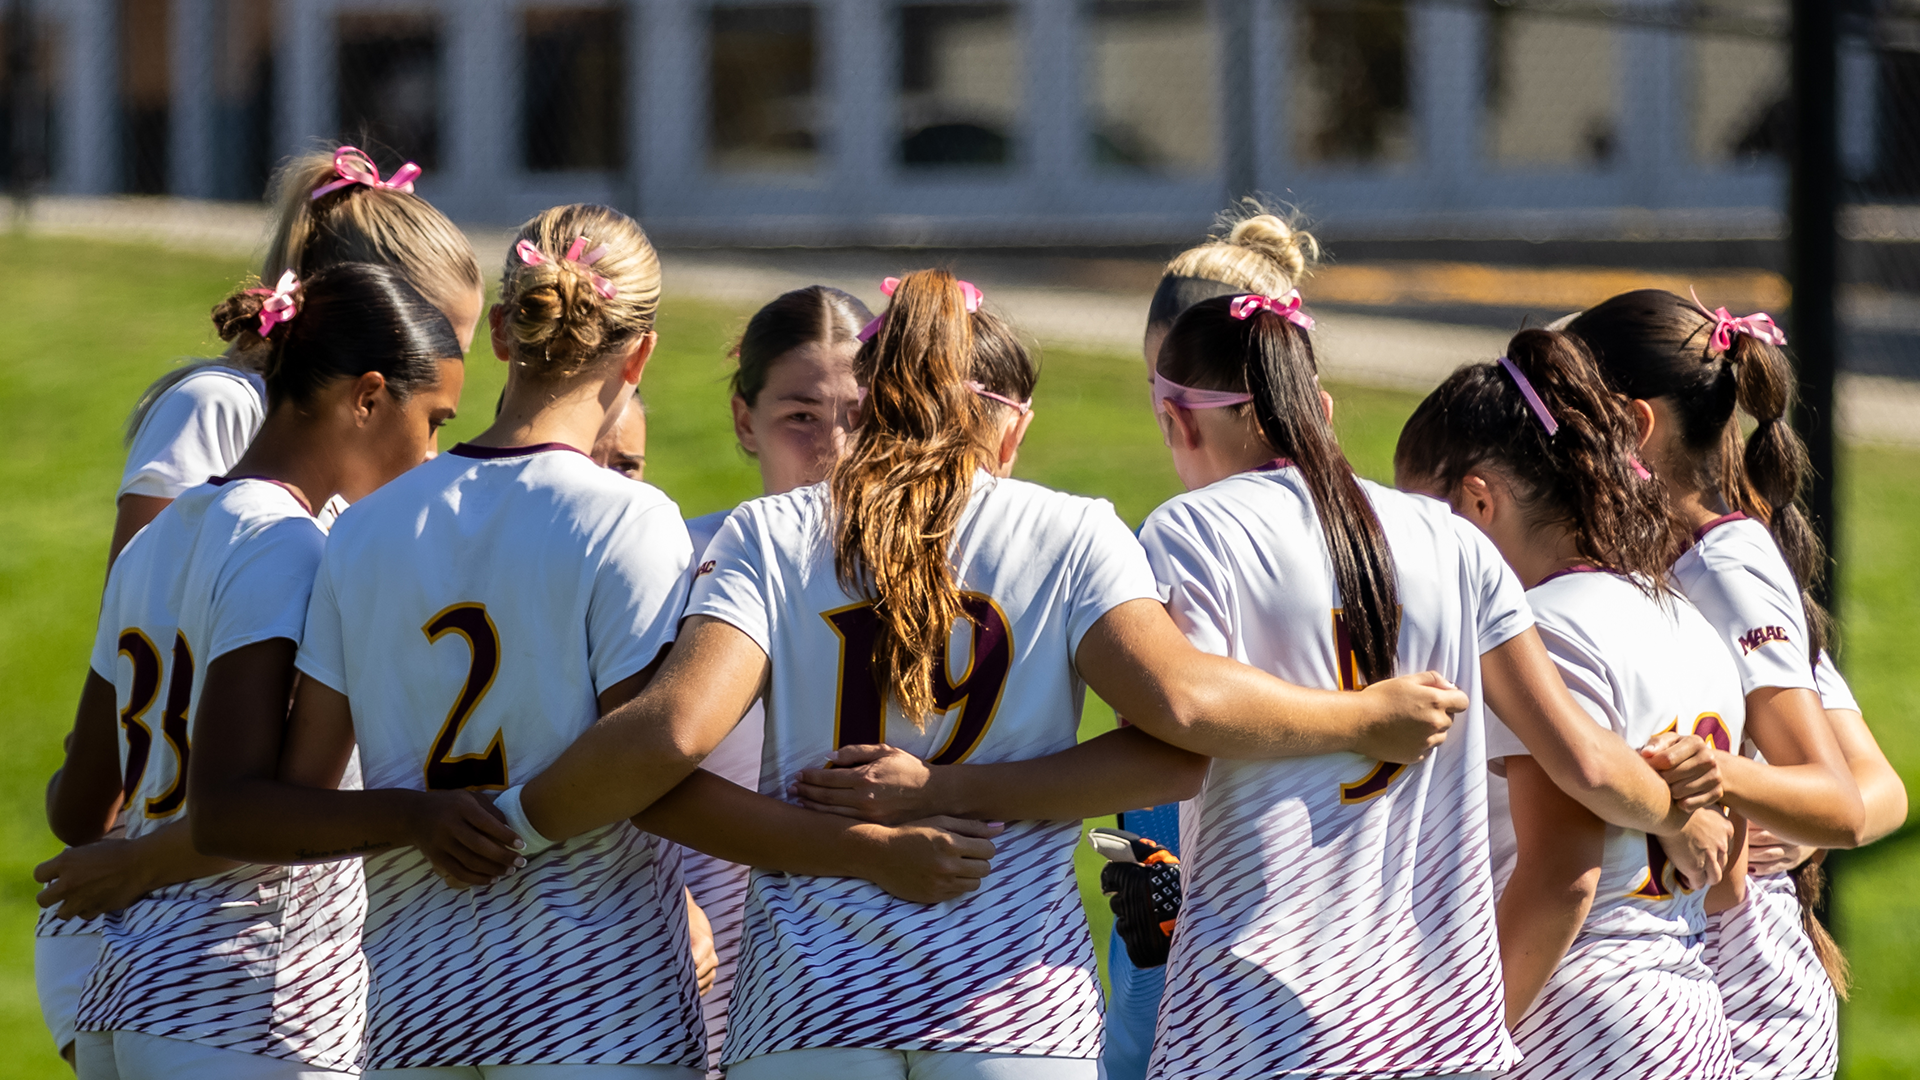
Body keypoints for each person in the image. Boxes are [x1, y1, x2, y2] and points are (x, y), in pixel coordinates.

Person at [490, 269, 1495, 1080]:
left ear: (866, 405)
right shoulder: (1071, 528)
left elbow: (670, 742)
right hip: (1014, 1008)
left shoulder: (773, 532)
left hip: (807, 1005)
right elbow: (1180, 722)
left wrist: (515, 821)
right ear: (1007, 427)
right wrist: (1360, 715)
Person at [792, 290, 1723, 1079]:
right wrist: (1675, 810)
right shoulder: (1451, 540)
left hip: (1259, 1018)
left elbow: (1178, 729)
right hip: (1445, 1028)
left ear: (1177, 418)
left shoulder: (1191, 532)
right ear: (1311, 401)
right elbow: (1584, 763)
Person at [192, 211, 996, 1078]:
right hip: (596, 1004)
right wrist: (863, 850)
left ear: (501, 331)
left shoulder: (366, 529)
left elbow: (281, 806)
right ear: (640, 354)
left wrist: (421, 817)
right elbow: (656, 775)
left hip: (414, 1005)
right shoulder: (628, 519)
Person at [31, 146, 485, 1070]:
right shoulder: (287, 542)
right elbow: (238, 808)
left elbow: (82, 801)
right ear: (367, 396)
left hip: (125, 990)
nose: (437, 454)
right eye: (433, 422)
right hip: (245, 995)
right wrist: (415, 817)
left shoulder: (161, 539)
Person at [1395, 330, 1749, 1078]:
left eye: (1420, 524)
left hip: (1570, 1013)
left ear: (1477, 502)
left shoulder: (1543, 630)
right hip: (1682, 1008)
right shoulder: (1684, 617)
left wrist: (1455, 1051)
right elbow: (1727, 865)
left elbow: (1563, 875)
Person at [1567, 289, 1901, 1080]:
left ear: (1633, 425)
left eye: (1563, 417)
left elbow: (1861, 795)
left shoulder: (1724, 565)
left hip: (1739, 978)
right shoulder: (1653, 564)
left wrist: (1732, 784)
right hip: (1675, 961)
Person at [1098, 206, 1324, 1080]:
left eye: (1171, 387)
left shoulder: (1188, 532)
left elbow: (1175, 730)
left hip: (1228, 972)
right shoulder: (1407, 529)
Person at [681, 284, 872, 1078]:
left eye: (857, 416)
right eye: (801, 416)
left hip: (844, 984)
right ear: (742, 420)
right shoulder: (678, 561)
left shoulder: (921, 578)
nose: (832, 446)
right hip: (688, 959)